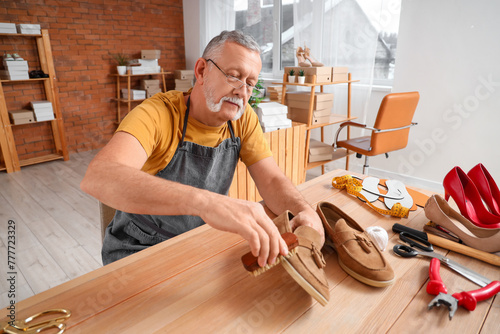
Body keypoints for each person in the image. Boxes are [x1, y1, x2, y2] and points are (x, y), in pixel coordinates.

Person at [81, 30, 324, 266]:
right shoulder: (157, 114)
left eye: (250, 83)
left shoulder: (242, 118)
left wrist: (304, 210)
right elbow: (99, 177)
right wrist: (207, 203)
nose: (242, 91)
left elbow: (271, 180)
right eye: (233, 75)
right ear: (201, 71)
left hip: (201, 242)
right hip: (139, 248)